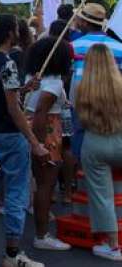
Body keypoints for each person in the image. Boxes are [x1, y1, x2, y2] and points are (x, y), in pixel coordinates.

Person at [0, 14, 48, 267]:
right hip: (11, 137)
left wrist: (25, 89)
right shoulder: (7, 63)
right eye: (16, 29)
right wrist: (34, 141)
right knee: (16, 194)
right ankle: (12, 255)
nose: (19, 32)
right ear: (9, 34)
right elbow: (13, 107)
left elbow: (5, 94)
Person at [23, 37, 73, 251]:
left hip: (31, 127)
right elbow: (43, 112)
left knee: (39, 183)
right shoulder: (54, 83)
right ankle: (42, 235)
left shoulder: (32, 78)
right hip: (47, 133)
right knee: (46, 184)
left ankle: (42, 228)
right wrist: (41, 144)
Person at [74, 43, 122, 261]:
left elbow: (79, 122)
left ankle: (112, 246)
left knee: (102, 196)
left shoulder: (81, 87)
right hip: (120, 140)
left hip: (94, 143)